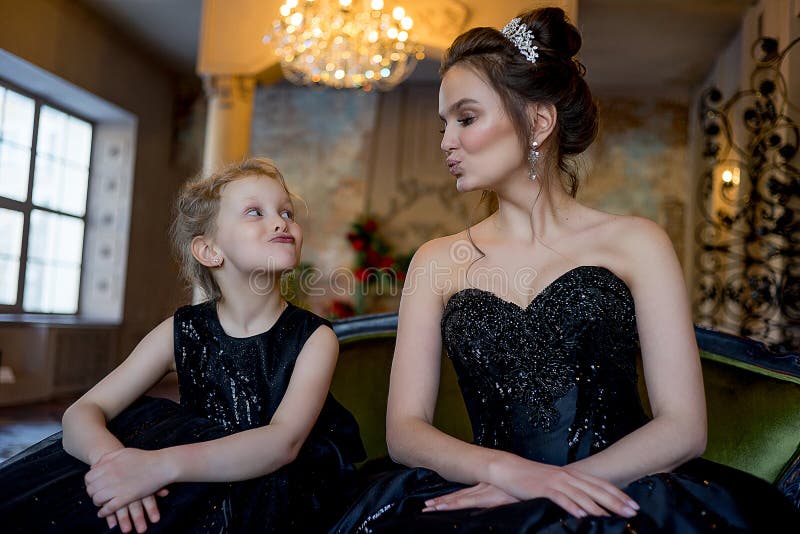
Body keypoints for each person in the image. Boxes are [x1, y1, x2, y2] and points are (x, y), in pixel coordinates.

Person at [332, 7, 798, 533]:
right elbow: (405, 431)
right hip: (491, 487)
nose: (446, 141)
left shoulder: (637, 242)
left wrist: (564, 484)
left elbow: (684, 428)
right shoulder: (435, 261)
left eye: (465, 118)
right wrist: (514, 476)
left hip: (623, 486)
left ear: (538, 121)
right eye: (444, 124)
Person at [0, 157, 365, 533]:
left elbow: (281, 442)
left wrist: (158, 466)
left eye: (286, 212)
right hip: (188, 481)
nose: (280, 221)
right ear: (209, 251)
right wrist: (117, 462)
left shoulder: (314, 337)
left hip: (277, 491)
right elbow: (83, 411)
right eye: (255, 212)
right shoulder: (183, 330)